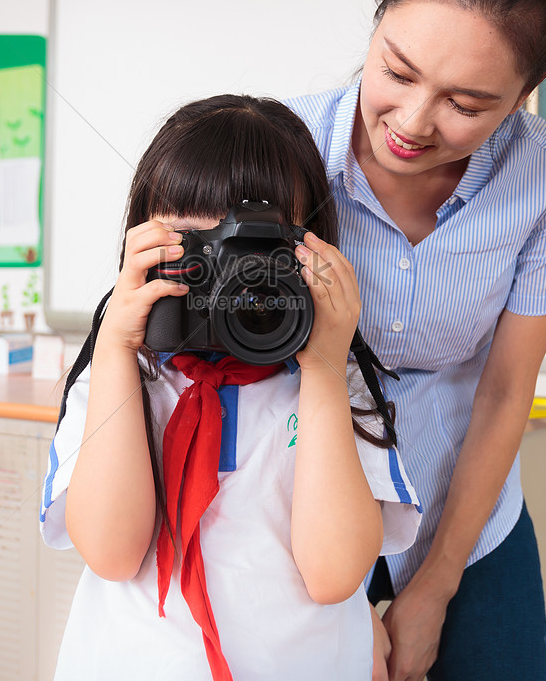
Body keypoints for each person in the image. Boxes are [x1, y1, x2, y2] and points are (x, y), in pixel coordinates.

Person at [285, 0, 546, 681]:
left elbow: (504, 391)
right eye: (397, 70)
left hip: (464, 515)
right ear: (379, 17)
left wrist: (435, 586)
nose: (412, 123)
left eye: (467, 103)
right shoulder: (282, 145)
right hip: (296, 502)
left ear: (530, 88)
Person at [40, 94, 423, 680]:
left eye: (256, 250)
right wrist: (117, 348)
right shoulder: (124, 375)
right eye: (196, 249)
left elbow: (335, 573)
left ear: (312, 250)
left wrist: (323, 367)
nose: (229, 276)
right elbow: (113, 554)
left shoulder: (334, 381)